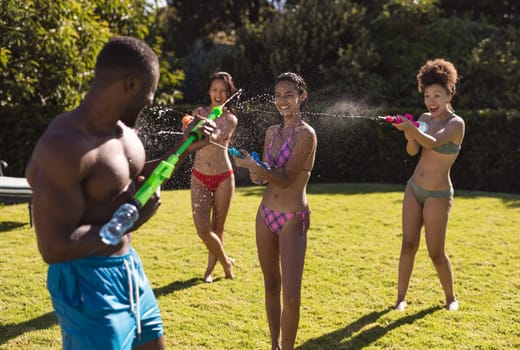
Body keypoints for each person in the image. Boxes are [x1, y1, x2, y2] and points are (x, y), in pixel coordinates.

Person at [25, 36, 215, 350]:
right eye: (149, 94)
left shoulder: (125, 134)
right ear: (130, 84)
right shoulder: (64, 146)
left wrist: (184, 147)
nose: (149, 103)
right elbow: (54, 247)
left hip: (128, 268)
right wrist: (127, 222)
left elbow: (127, 180)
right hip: (85, 283)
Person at [233, 72, 317, 350]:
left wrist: (254, 168)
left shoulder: (307, 135)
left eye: (288, 95)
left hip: (292, 217)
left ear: (301, 96)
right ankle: (274, 345)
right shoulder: (271, 132)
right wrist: (256, 174)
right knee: (271, 285)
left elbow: (287, 178)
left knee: (291, 296)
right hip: (265, 214)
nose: (282, 101)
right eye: (278, 95)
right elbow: (268, 176)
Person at [391, 58, 465, 312]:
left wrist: (412, 127)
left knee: (436, 252)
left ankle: (450, 297)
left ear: (449, 95)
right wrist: (409, 134)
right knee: (408, 244)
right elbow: (413, 151)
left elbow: (432, 142)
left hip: (438, 194)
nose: (431, 101)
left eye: (437, 95)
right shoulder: (424, 117)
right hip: (414, 188)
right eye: (427, 95)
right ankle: (400, 298)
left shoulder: (456, 124)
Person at [186, 72, 237, 283]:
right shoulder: (197, 113)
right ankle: (226, 261)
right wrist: (187, 127)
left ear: (228, 94)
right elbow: (189, 140)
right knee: (203, 230)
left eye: (223, 91)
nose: (218, 94)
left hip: (223, 176)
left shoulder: (230, 119)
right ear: (209, 91)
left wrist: (199, 126)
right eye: (215, 89)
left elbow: (212, 137)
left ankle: (210, 270)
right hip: (199, 177)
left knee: (218, 228)